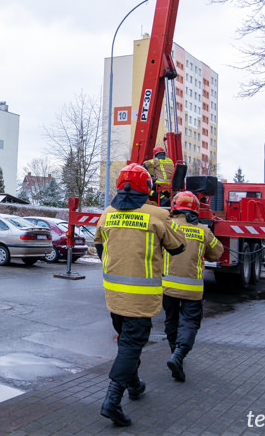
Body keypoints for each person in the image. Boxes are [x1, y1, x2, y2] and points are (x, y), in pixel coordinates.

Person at [94, 163, 185, 427]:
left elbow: (99, 247)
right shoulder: (157, 215)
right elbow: (178, 248)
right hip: (141, 297)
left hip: (114, 294)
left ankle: (134, 385)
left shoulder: (107, 214)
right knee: (132, 345)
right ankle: (112, 400)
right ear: (146, 188)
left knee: (127, 342)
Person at [162, 191, 224, 382]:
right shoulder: (202, 231)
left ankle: (174, 352)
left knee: (171, 321)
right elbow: (217, 253)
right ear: (195, 211)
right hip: (192, 289)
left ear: (175, 208)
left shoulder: (168, 226)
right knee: (190, 323)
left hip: (167, 288)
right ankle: (179, 355)